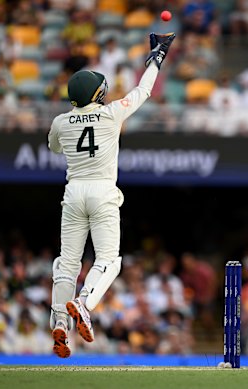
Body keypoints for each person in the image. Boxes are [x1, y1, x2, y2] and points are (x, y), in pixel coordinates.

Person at [47, 32, 176, 358]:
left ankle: (60, 322)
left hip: (73, 192)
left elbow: (53, 146)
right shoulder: (111, 113)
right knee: (109, 260)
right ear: (97, 93)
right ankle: (84, 301)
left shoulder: (61, 122)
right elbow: (143, 90)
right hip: (103, 191)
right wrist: (156, 59)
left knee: (67, 264)